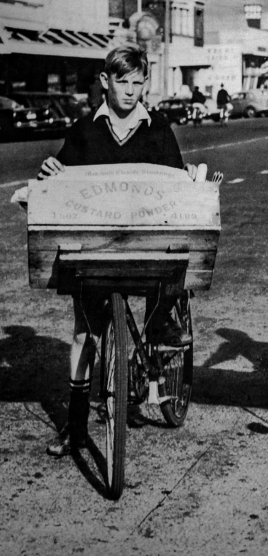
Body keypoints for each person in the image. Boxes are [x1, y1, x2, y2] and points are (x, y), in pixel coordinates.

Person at [37, 44, 198, 457]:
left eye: (137, 82)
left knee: (173, 271)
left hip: (145, 247)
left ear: (145, 83)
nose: (129, 90)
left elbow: (178, 187)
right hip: (97, 249)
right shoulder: (85, 129)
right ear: (105, 82)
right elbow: (63, 182)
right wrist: (52, 172)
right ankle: (73, 429)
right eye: (121, 81)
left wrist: (191, 178)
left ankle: (159, 330)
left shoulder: (157, 128)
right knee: (83, 335)